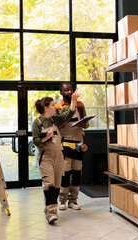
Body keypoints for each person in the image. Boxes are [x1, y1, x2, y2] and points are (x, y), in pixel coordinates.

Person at [32, 89, 79, 224]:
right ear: (46, 108)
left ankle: (48, 208)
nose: (55, 107)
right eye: (53, 105)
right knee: (49, 184)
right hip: (45, 157)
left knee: (57, 185)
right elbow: (35, 140)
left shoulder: (55, 119)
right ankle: (52, 213)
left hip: (59, 156)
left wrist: (74, 99)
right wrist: (47, 136)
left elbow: (69, 113)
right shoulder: (37, 122)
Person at [56, 83, 89, 211]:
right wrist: (71, 108)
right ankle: (62, 200)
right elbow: (58, 124)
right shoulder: (58, 107)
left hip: (79, 142)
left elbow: (86, 124)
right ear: (61, 92)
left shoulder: (80, 105)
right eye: (66, 90)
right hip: (65, 142)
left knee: (77, 173)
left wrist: (84, 123)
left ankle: (73, 200)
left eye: (70, 89)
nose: (69, 92)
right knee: (65, 173)